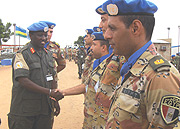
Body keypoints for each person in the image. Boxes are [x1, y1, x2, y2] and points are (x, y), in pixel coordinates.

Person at [102, 0, 180, 128]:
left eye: (112, 28)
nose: (106, 35)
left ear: (135, 28)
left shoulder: (160, 77)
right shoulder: (131, 68)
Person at [8, 22, 64, 129]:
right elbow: (23, 80)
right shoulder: (22, 54)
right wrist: (49, 92)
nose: (44, 38)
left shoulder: (48, 55)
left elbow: (52, 78)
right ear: (31, 36)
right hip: (24, 112)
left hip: (44, 111)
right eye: (40, 35)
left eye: (45, 35)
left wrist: (54, 99)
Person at [58, 31, 110, 128]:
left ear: (103, 48)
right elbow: (87, 86)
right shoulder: (97, 64)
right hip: (91, 118)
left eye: (94, 45)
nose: (91, 48)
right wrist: (63, 92)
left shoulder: (112, 68)